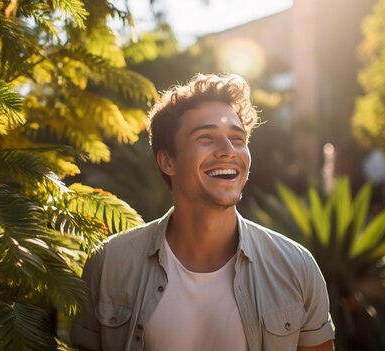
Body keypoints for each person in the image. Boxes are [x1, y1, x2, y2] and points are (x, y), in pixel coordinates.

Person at [70, 74, 335, 350]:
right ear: (168, 161)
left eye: (237, 138)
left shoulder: (296, 267)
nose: (228, 151)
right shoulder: (109, 264)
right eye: (206, 137)